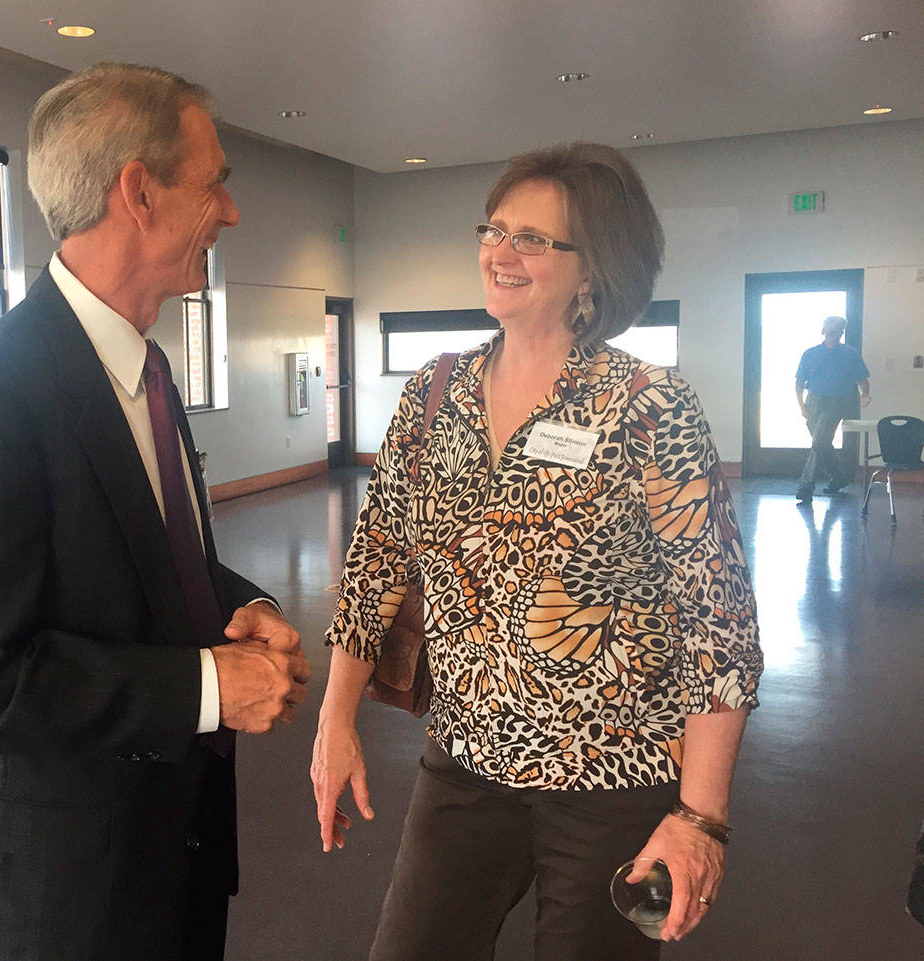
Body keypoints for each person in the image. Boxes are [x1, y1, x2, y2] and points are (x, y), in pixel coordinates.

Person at [0, 62, 310, 961]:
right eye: (216, 182)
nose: (230, 212)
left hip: (175, 856)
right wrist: (205, 688)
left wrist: (247, 607)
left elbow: (157, 554)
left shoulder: (148, 371)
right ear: (139, 191)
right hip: (64, 904)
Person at [311, 142, 764, 960]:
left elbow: (718, 620)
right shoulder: (434, 389)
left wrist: (700, 818)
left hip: (612, 781)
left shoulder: (648, 404)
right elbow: (377, 557)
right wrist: (334, 717)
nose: (501, 251)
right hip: (464, 760)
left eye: (532, 239)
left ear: (592, 271)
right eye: (494, 229)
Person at [794, 315, 870, 502]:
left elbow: (862, 380)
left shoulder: (850, 354)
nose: (833, 335)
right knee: (823, 443)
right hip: (814, 402)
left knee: (819, 442)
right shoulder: (810, 354)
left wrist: (865, 394)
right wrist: (802, 405)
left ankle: (805, 486)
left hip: (837, 403)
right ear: (823, 331)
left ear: (841, 334)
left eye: (837, 332)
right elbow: (799, 383)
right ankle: (839, 477)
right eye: (830, 331)